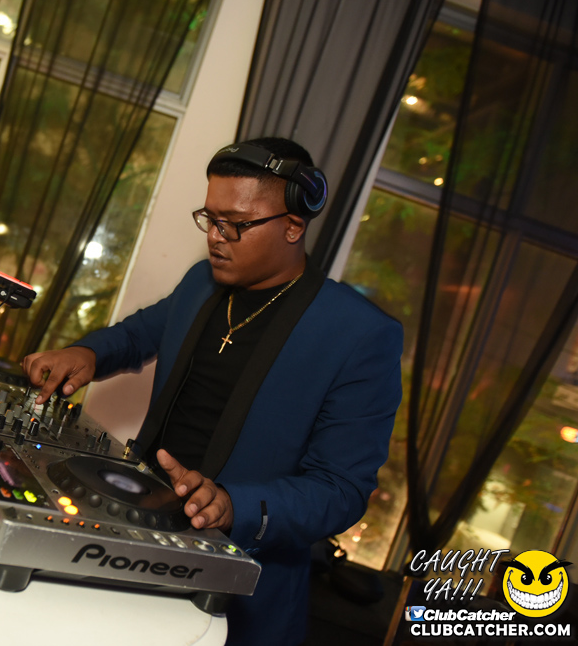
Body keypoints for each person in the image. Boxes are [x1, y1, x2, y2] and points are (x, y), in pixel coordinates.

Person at [21, 137, 403, 645]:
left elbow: (341, 490)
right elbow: (139, 334)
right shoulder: (202, 282)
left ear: (293, 225)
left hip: (241, 592)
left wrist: (233, 505)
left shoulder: (359, 334)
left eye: (236, 224)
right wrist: (88, 353)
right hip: (137, 540)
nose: (216, 238)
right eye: (210, 218)